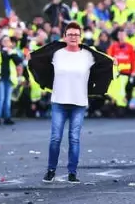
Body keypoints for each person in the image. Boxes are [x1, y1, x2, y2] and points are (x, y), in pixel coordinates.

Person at [28, 21, 113, 184]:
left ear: (80, 37)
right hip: (59, 101)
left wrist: (111, 63)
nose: (73, 37)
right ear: (64, 37)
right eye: (70, 34)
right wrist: (31, 57)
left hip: (79, 102)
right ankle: (51, 170)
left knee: (74, 138)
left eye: (76, 34)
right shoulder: (56, 53)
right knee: (55, 138)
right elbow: (39, 60)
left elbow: (104, 62)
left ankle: (72, 172)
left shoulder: (88, 55)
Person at [0, 36, 23, 125]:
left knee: (7, 99)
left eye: (8, 41)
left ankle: (7, 117)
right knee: (0, 98)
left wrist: (11, 52)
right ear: (1, 42)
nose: (6, 42)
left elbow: (19, 61)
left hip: (9, 78)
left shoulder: (13, 52)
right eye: (4, 41)